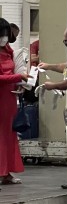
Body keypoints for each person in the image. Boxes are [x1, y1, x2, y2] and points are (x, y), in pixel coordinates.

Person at [38, 29, 67, 190]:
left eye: (66, 40)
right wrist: (49, 66)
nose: (64, 43)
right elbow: (65, 67)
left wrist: (54, 86)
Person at [0, 18, 28, 184]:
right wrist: (18, 77)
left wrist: (21, 84)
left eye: (5, 34)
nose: (4, 37)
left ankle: (6, 172)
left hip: (10, 98)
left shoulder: (9, 50)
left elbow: (13, 73)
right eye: (1, 34)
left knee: (10, 136)